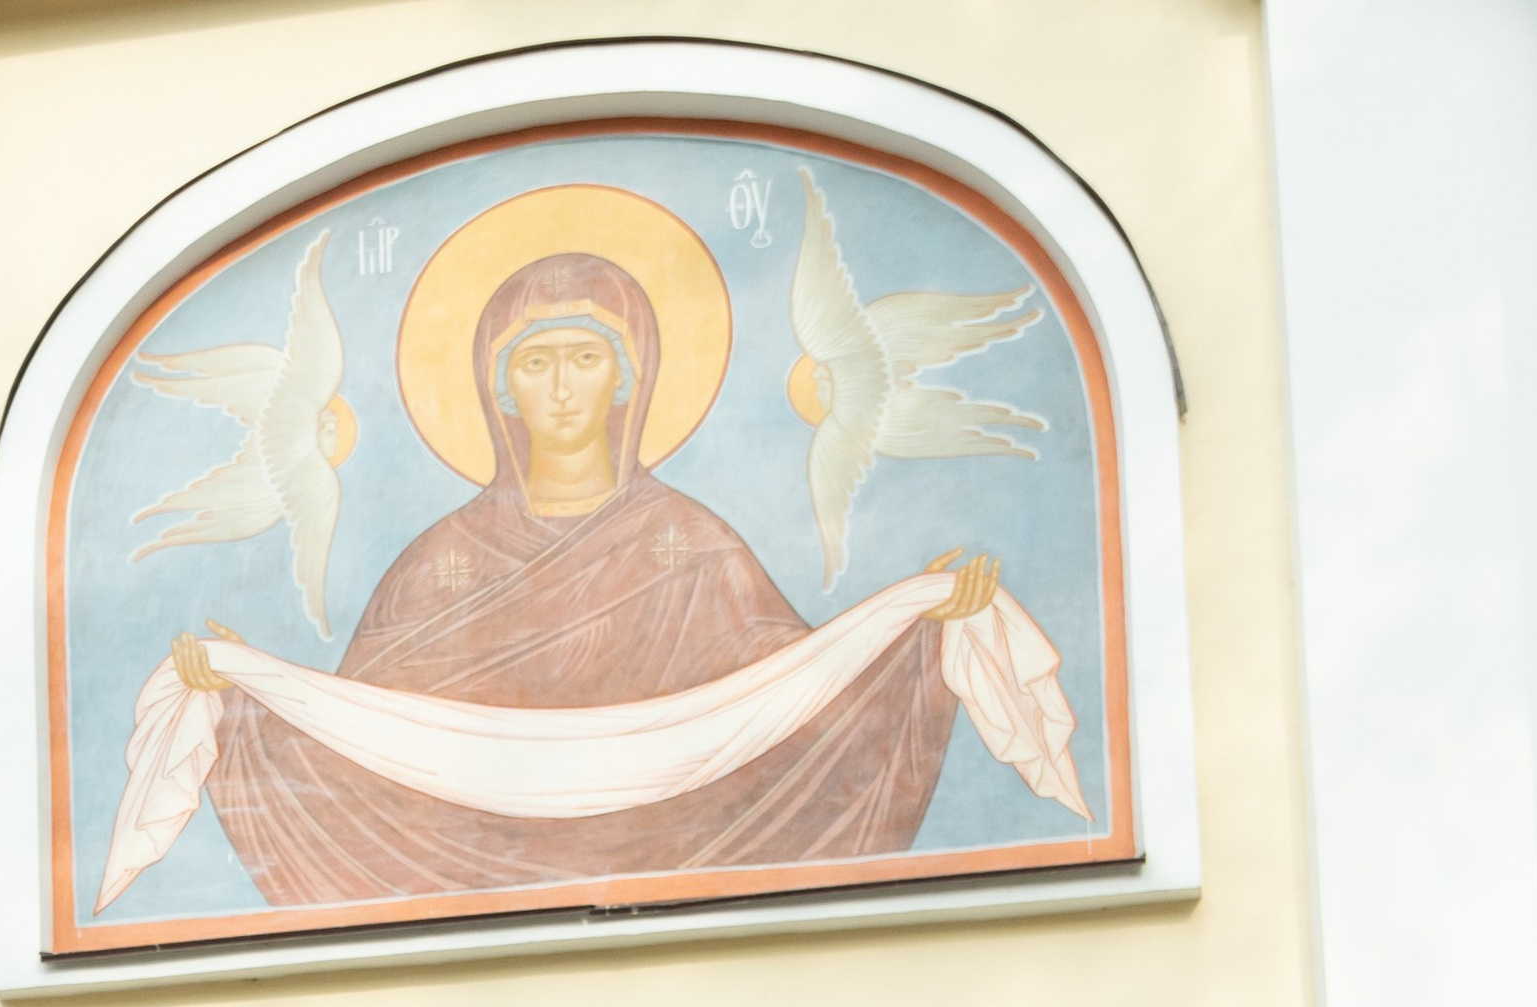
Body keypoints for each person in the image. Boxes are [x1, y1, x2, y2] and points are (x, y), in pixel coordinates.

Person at [193, 246, 985, 910]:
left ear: (627, 377)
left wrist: (908, 632)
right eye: (535, 363)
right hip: (474, 893)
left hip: (684, 871)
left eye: (586, 357)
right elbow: (363, 738)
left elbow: (787, 694)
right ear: (502, 387)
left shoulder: (691, 545)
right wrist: (249, 692)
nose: (562, 388)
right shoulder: (440, 562)